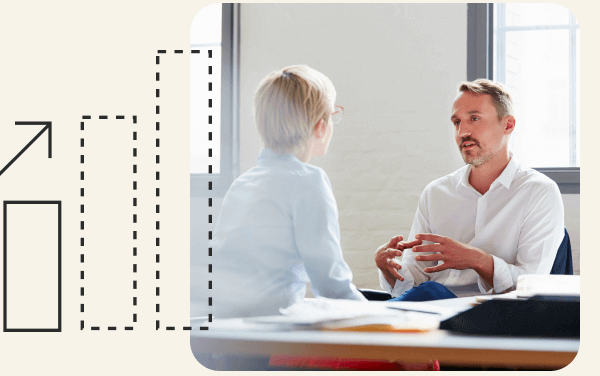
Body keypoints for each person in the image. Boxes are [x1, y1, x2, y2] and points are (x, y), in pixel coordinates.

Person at [375, 79, 565, 301]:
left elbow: (532, 285)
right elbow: (416, 278)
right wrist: (389, 269)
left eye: (474, 119)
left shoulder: (539, 192)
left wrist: (478, 260)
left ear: (508, 125)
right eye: (457, 122)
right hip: (431, 311)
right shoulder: (436, 193)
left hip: (497, 319)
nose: (462, 131)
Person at [213, 65, 365, 320]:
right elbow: (330, 286)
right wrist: (384, 317)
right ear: (321, 126)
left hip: (224, 326)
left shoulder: (242, 183)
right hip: (270, 337)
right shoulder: (308, 181)